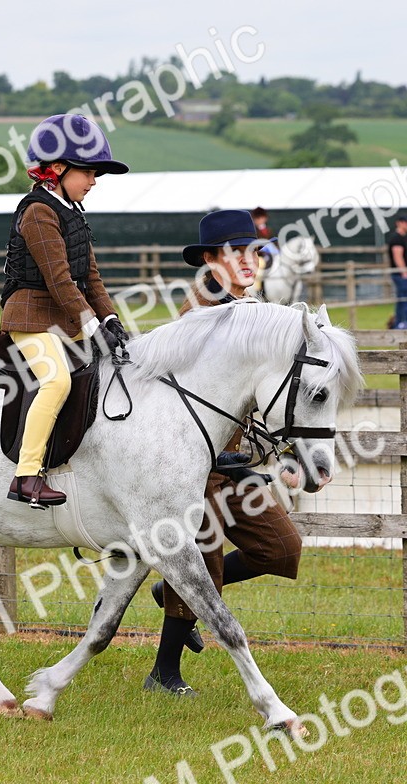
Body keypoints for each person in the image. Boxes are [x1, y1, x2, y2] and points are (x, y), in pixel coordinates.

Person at [145, 209, 304, 696]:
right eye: (236, 253)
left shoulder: (253, 306)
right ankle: (165, 674)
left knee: (282, 548)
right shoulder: (203, 314)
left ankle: (168, 593)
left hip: (234, 463)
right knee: (203, 562)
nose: (249, 261)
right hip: (194, 465)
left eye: (255, 251)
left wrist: (286, 454)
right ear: (211, 260)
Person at [1, 114, 131, 507]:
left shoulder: (72, 211)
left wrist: (110, 318)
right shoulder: (39, 211)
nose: (94, 181)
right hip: (29, 317)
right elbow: (59, 280)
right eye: (89, 172)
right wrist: (91, 325)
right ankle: (26, 476)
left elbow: (89, 276)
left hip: (61, 318)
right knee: (56, 382)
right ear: (57, 169)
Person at [386, 215, 407, 329]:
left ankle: (400, 323)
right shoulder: (397, 238)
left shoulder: (404, 237)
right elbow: (398, 257)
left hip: (403, 273)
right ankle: (404, 324)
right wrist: (404, 273)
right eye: (406, 222)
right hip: (400, 275)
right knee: (405, 301)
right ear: (399, 223)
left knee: (403, 301)